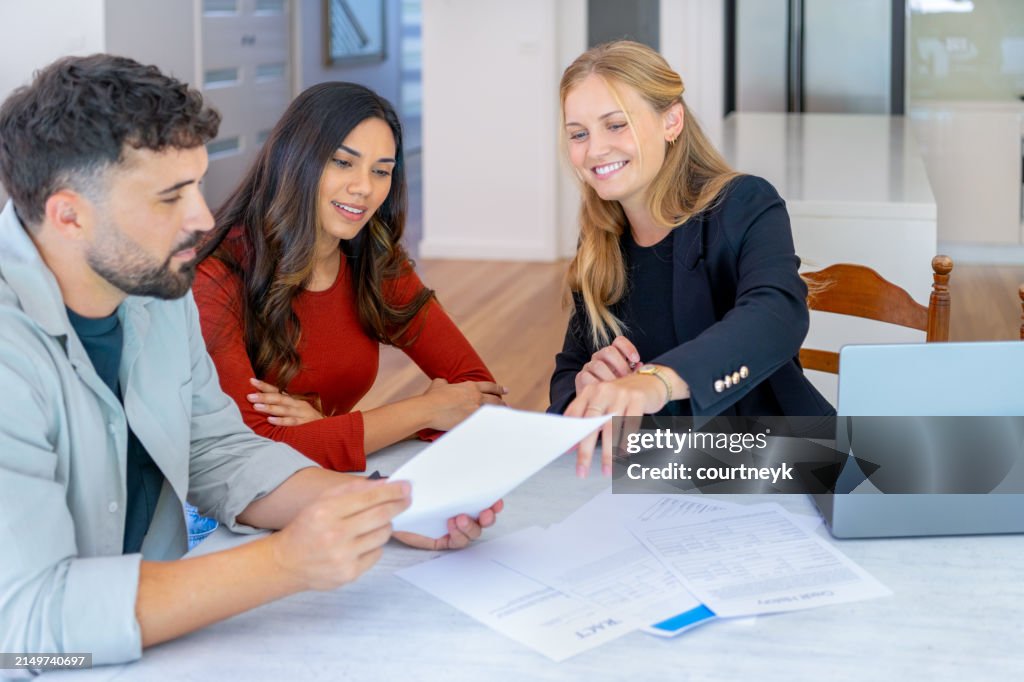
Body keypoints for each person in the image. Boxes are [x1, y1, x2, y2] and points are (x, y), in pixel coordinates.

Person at [0, 54, 500, 666]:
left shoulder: (158, 291)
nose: (202, 218)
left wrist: (378, 507)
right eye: (170, 197)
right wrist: (287, 562)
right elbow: (24, 631)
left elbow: (220, 450)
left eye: (198, 186)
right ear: (69, 215)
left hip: (162, 633)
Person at [548, 41, 835, 477]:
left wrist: (656, 382)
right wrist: (585, 389)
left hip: (778, 461)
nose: (595, 150)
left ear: (671, 121)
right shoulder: (602, 242)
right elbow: (569, 371)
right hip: (662, 473)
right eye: (579, 133)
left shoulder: (745, 203)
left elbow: (777, 314)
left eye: (616, 125)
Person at [193, 82, 506, 473]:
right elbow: (253, 452)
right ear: (295, 159)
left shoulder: (372, 259)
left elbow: (481, 398)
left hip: (325, 485)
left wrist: (327, 431)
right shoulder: (216, 274)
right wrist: (425, 409)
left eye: (381, 171)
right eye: (343, 162)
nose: (364, 188)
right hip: (222, 512)